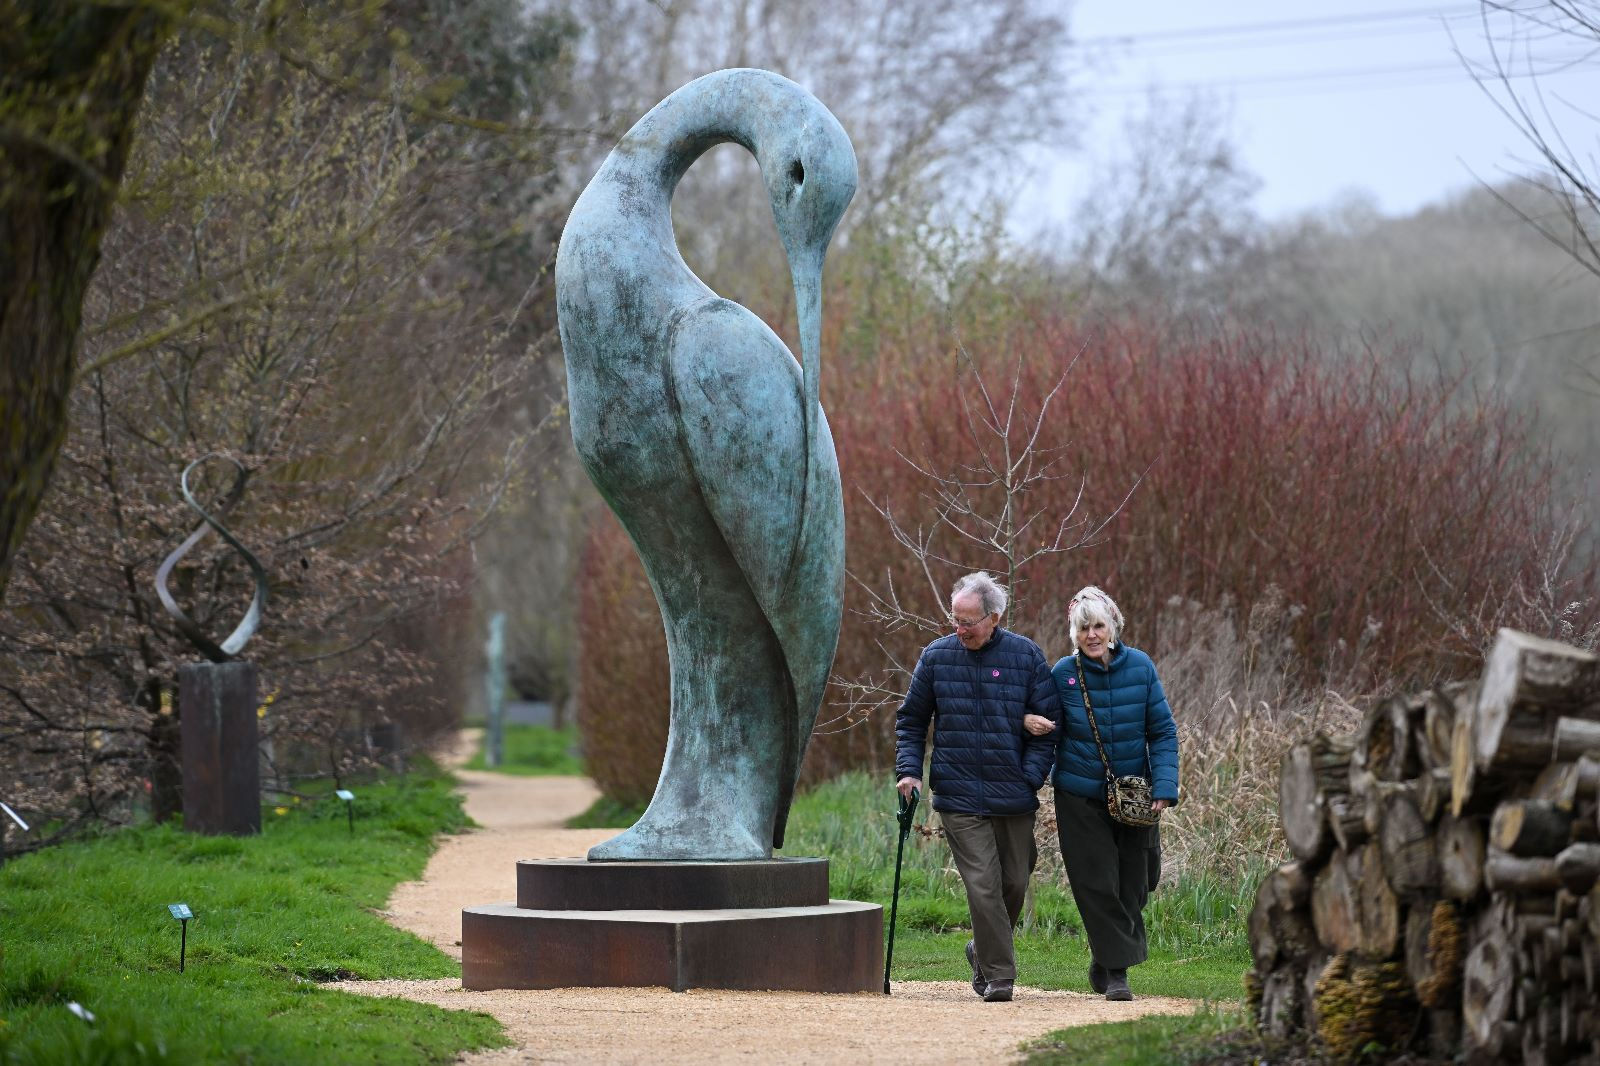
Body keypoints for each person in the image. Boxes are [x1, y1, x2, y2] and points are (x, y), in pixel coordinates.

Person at [895, 571, 1060, 1003]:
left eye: (968, 621)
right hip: (958, 793)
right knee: (982, 885)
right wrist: (909, 770)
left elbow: (1048, 729)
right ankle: (1001, 976)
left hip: (1013, 794)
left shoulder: (1026, 657)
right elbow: (911, 721)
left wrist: (1030, 778)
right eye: (955, 620)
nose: (960, 629)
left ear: (994, 618)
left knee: (1015, 883)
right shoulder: (936, 657)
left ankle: (981, 950)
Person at [1023, 585, 1178, 1002]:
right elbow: (1037, 717)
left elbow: (1162, 730)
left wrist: (1165, 786)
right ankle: (1117, 973)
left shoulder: (1141, 668)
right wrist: (1026, 720)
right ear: (1074, 632)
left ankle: (1105, 956)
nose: (1091, 634)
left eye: (1098, 626)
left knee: (1138, 882)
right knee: (1097, 883)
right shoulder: (1062, 675)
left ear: (1113, 628)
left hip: (1135, 798)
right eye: (1083, 627)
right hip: (1079, 796)